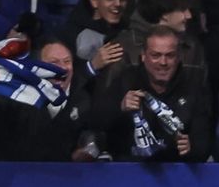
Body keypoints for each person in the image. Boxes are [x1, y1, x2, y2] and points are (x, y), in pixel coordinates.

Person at [89, 26, 211, 162]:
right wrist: (119, 108)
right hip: (128, 169)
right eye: (155, 55)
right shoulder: (125, 80)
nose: (163, 62)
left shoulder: (192, 87)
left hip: (176, 170)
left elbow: (204, 143)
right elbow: (96, 123)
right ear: (143, 55)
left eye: (169, 55)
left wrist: (191, 148)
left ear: (179, 57)